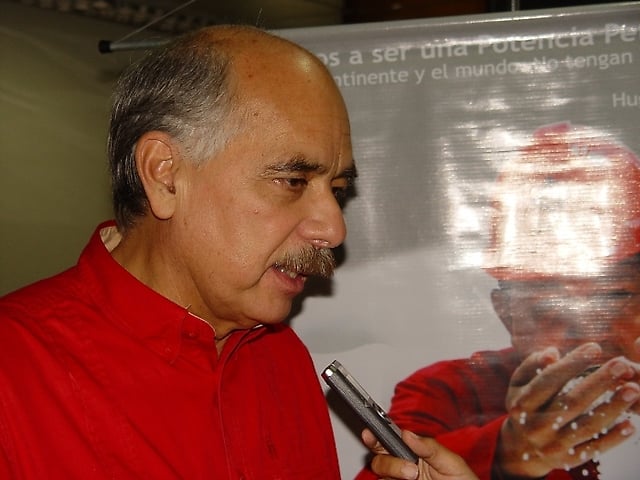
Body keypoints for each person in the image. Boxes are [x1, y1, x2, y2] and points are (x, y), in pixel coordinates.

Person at [0, 24, 479, 480]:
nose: (334, 229)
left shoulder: (278, 355)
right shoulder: (17, 374)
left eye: (336, 190)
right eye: (292, 181)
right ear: (165, 175)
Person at [357, 122, 640, 480]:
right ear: (506, 314)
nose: (588, 336)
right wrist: (508, 454)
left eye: (613, 299)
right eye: (550, 310)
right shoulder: (449, 392)